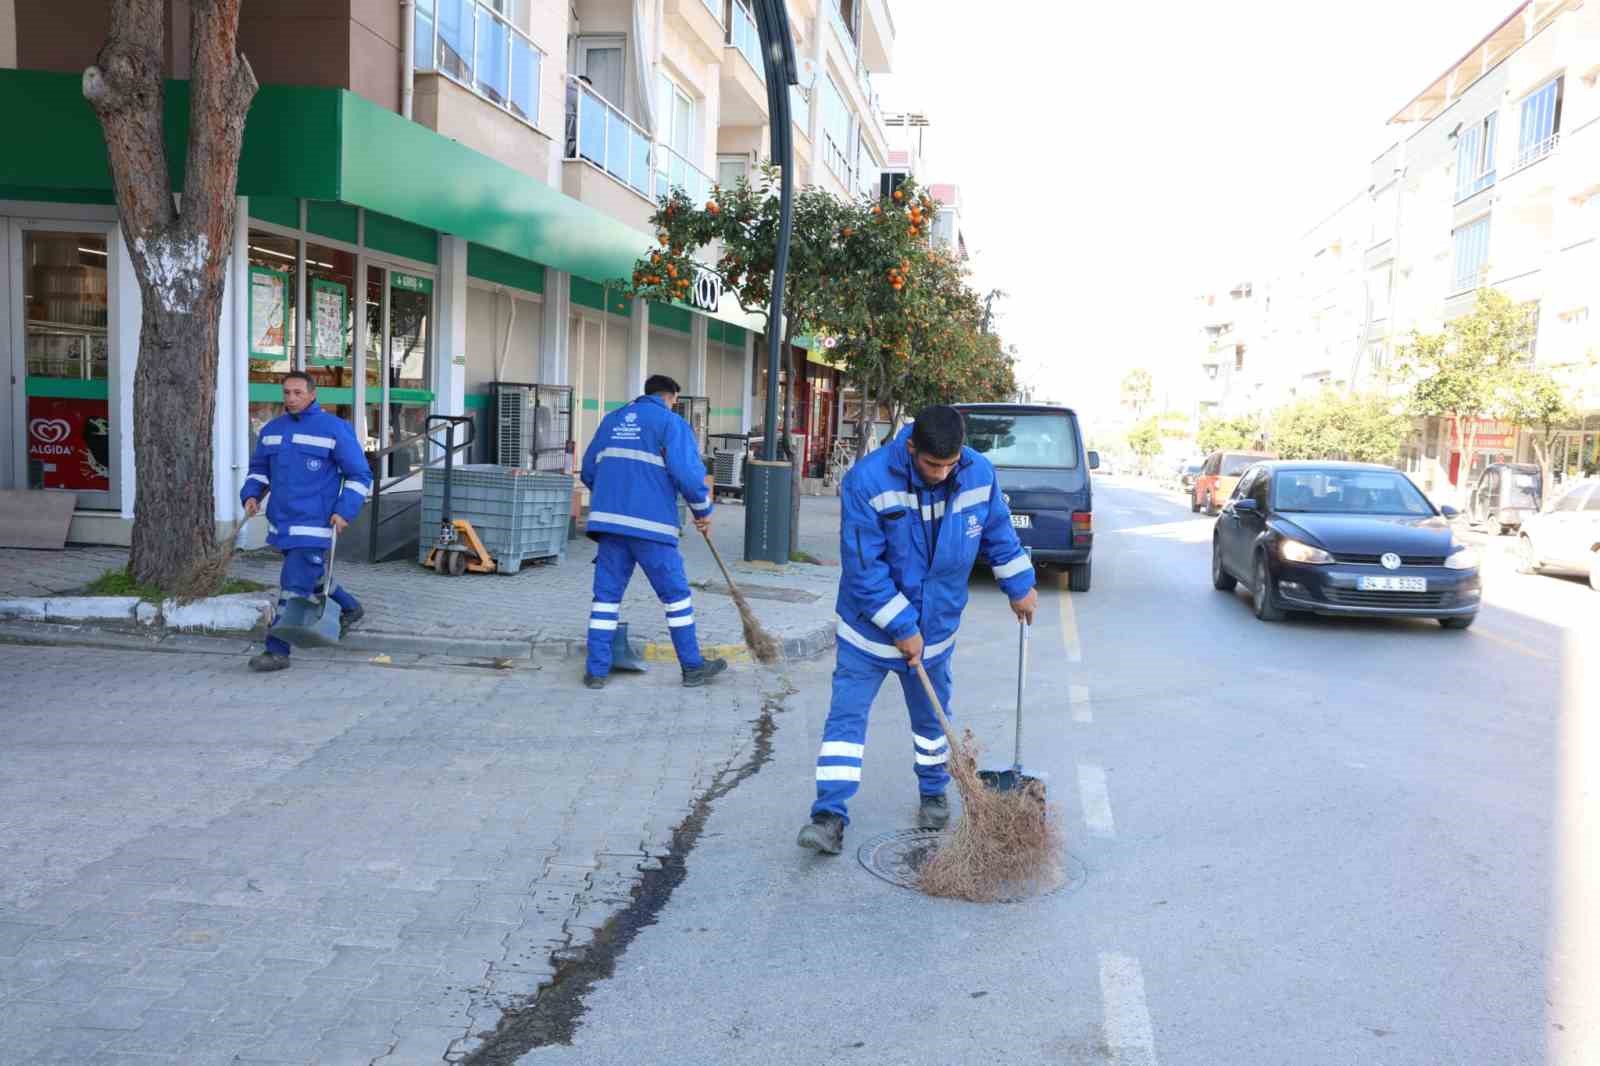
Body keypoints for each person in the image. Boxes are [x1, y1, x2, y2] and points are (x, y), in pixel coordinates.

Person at [797, 405, 1038, 855]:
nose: (943, 474)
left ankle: (933, 794)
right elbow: (864, 570)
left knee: (931, 724)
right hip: (868, 633)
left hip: (938, 628)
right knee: (845, 722)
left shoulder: (978, 474)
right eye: (932, 465)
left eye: (950, 464)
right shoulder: (867, 482)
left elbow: (998, 532)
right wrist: (903, 627)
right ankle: (828, 815)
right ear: (911, 448)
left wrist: (1019, 584)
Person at [580, 374, 727, 690]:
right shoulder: (670, 424)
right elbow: (689, 475)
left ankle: (596, 672)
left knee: (605, 599)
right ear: (671, 396)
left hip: (610, 528)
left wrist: (613, 499)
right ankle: (692, 667)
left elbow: (589, 470)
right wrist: (703, 512)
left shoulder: (612, 420)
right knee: (676, 598)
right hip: (652, 529)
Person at [240, 372, 373, 673]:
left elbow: (360, 475)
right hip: (281, 523)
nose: (290, 398)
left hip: (315, 524)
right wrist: (251, 495)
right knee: (310, 576)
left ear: (312, 395)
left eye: (297, 392)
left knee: (292, 586)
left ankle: (277, 650)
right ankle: (350, 607)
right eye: (286, 392)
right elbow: (259, 469)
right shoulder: (272, 430)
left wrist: (345, 510)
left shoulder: (335, 429)